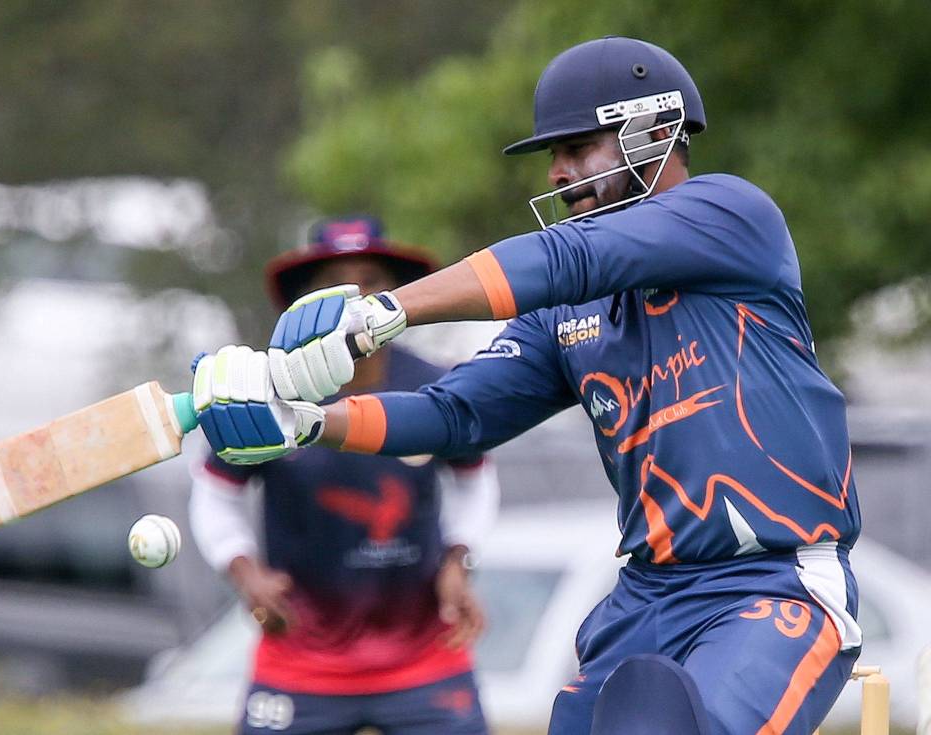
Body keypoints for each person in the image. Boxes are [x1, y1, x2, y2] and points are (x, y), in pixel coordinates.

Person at [193, 37, 862, 734]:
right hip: (647, 593)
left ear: (658, 131)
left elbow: (568, 256)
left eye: (579, 146)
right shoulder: (567, 315)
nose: (561, 171)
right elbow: (454, 414)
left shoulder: (733, 216)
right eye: (555, 154)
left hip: (772, 583)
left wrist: (380, 313)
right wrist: (306, 421)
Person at [188, 216, 498, 735]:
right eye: (334, 284)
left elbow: (476, 480)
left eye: (371, 281)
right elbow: (215, 491)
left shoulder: (438, 387)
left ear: (395, 295)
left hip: (425, 657)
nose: (354, 300)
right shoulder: (264, 391)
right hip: (301, 662)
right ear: (307, 299)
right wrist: (246, 574)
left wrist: (458, 560)